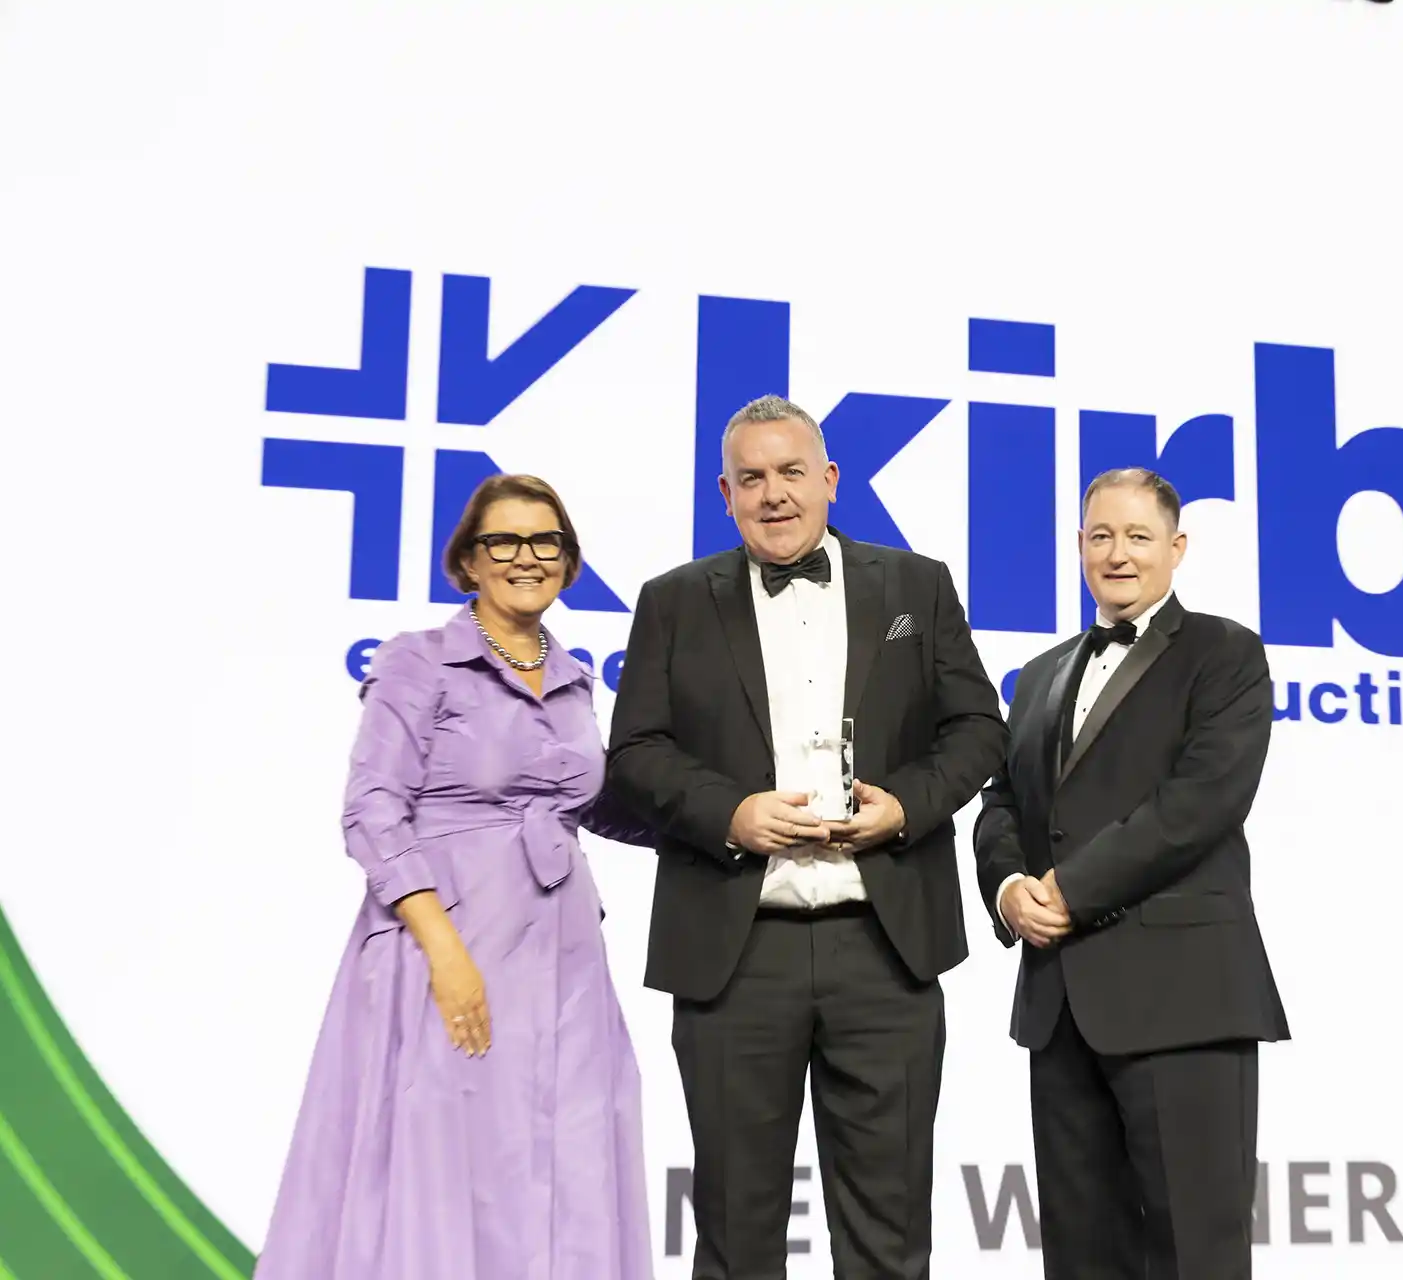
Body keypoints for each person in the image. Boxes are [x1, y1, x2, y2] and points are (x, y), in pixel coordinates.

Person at [605, 394, 1007, 1279]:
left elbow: (979, 729)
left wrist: (905, 806)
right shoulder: (672, 601)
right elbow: (633, 753)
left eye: (792, 472)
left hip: (886, 947)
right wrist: (729, 814)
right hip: (735, 953)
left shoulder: (916, 586)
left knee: (889, 1237)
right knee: (735, 1235)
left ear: (829, 479)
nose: (773, 494)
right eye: (751, 478)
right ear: (725, 495)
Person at [256, 475, 655, 1280]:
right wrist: (443, 949)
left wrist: (729, 821)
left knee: (565, 1156)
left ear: (569, 564)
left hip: (565, 959)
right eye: (502, 541)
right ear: (468, 561)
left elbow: (588, 804)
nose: (525, 558)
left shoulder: (575, 677)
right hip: (448, 943)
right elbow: (371, 809)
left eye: (545, 542)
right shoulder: (418, 661)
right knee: (448, 1161)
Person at [974, 467, 1289, 1279]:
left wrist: (1069, 890)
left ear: (1176, 548)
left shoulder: (1225, 653)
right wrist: (1010, 891)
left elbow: (1199, 804)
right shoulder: (1039, 675)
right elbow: (1002, 801)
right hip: (1060, 1005)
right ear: (1079, 545)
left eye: (1138, 537)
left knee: (1195, 1254)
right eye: (1102, 536)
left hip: (1183, 998)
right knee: (1080, 1257)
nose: (1118, 554)